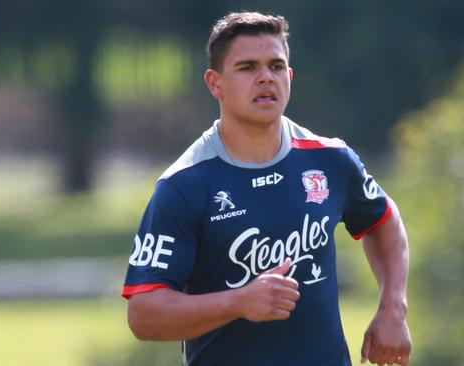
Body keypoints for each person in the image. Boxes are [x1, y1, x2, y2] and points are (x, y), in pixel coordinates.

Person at [122, 11, 412, 366]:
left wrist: (393, 307)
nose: (265, 78)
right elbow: (144, 313)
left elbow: (382, 219)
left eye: (276, 66)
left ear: (289, 76)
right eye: (247, 68)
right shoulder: (184, 185)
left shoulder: (331, 160)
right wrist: (239, 301)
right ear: (215, 84)